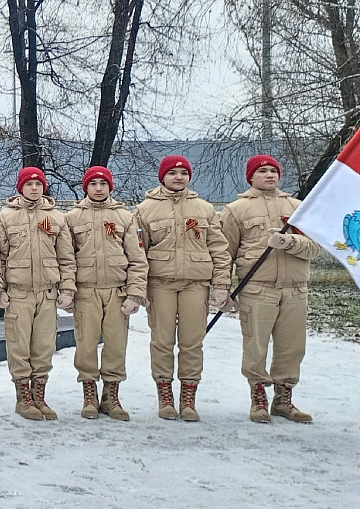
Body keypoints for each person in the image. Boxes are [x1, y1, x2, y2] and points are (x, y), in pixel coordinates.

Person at [220, 154, 322, 424]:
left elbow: (316, 247)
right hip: (257, 288)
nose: (269, 175)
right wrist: (222, 290)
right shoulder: (235, 210)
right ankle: (258, 398)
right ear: (250, 176)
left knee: (292, 348)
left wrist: (289, 242)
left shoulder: (298, 207)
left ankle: (283, 399)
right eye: (262, 171)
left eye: (273, 170)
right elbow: (224, 254)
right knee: (256, 346)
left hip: (295, 288)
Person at [134, 155, 232, 422]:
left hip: (195, 284)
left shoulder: (204, 209)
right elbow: (138, 252)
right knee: (162, 342)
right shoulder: (145, 210)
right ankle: (165, 394)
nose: (179, 177)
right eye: (173, 173)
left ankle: (188, 397)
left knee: (192, 343)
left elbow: (219, 249)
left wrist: (221, 285)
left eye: (183, 173)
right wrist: (138, 287)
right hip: (160, 284)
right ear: (162, 177)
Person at [0, 166, 75, 421]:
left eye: (38, 184)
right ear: (20, 188)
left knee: (44, 347)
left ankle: (40, 395)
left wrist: (67, 289)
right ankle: (23, 397)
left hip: (47, 293)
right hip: (19, 294)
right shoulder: (5, 218)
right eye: (29, 184)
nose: (34, 188)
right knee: (19, 347)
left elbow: (66, 258)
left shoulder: (57, 218)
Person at [64, 167, 148, 421]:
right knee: (86, 344)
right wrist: (68, 290)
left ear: (110, 187)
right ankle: (89, 395)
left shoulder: (125, 217)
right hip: (86, 291)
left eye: (103, 183)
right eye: (93, 184)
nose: (98, 188)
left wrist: (135, 293)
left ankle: (111, 396)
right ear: (85, 188)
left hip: (117, 291)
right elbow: (66, 259)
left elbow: (137, 258)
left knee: (115, 345)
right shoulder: (72, 218)